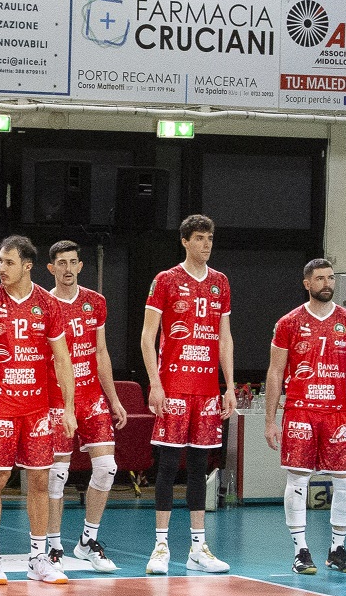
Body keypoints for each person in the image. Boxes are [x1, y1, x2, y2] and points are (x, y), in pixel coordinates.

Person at [0, 236, 76, 585]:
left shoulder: (48, 304)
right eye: (0, 261)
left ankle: (37, 558)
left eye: (9, 262)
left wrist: (68, 407)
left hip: (37, 409)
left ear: (28, 266)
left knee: (39, 481)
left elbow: (62, 359)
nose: (1, 268)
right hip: (1, 406)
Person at [140, 214, 233, 574]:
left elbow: (225, 337)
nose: (206, 244)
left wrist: (228, 386)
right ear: (184, 241)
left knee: (199, 467)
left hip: (207, 390)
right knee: (166, 466)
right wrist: (155, 384)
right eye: (199, 238)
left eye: (209, 238)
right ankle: (160, 546)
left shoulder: (220, 282)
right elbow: (148, 337)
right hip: (174, 387)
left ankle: (198, 547)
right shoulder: (165, 280)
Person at [264, 259, 346, 575]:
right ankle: (300, 551)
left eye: (331, 278)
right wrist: (270, 420)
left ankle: (337, 549)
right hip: (300, 410)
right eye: (320, 278)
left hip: (337, 412)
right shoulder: (289, 322)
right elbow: (275, 371)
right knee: (298, 479)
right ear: (307, 283)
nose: (327, 283)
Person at [45, 240, 129, 572]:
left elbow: (101, 352)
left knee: (107, 468)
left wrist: (114, 398)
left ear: (81, 266)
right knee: (57, 475)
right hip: (56, 398)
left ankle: (87, 541)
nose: (67, 269)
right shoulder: (43, 303)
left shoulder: (96, 302)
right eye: (61, 263)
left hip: (91, 395)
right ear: (51, 268)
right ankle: (53, 546)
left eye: (73, 262)